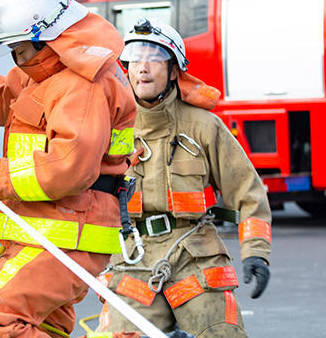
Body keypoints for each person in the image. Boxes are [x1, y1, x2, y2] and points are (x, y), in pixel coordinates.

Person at [0, 0, 137, 338]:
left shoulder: (82, 83)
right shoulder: (49, 74)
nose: (16, 60)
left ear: (46, 36)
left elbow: (68, 167)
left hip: (66, 237)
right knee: (37, 329)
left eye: (19, 49)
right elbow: (1, 96)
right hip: (51, 235)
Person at [95, 18, 272, 338]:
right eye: (134, 59)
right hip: (132, 258)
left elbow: (248, 192)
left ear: (174, 70)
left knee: (221, 333)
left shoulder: (204, 126)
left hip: (196, 257)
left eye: (154, 58)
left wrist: (256, 251)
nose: (143, 67)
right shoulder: (109, 125)